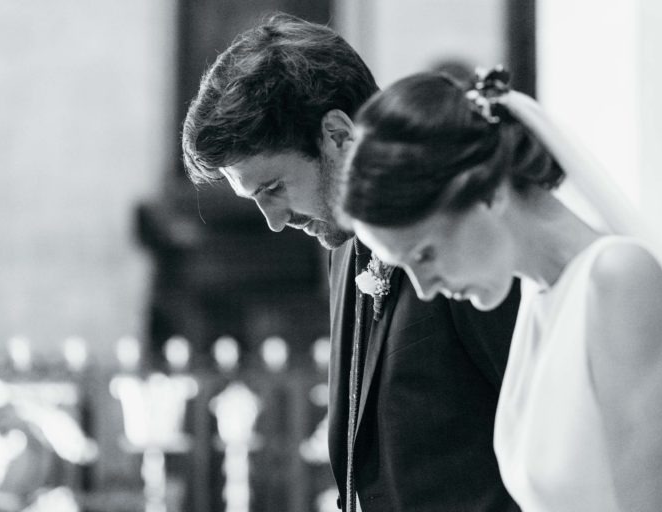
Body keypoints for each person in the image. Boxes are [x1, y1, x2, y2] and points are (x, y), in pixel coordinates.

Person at [182, 13, 521, 512]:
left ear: (338, 135)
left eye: (274, 188)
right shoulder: (341, 245)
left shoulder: (456, 230)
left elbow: (538, 431)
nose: (275, 222)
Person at [337, 68, 662, 511]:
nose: (424, 289)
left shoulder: (618, 279)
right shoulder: (538, 300)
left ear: (490, 195)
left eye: (424, 255)